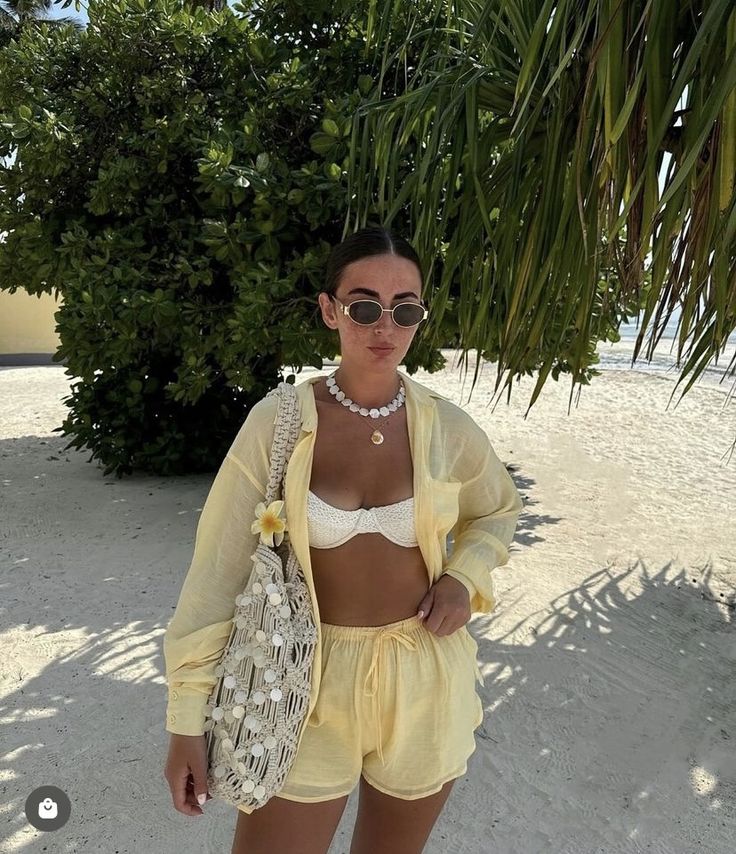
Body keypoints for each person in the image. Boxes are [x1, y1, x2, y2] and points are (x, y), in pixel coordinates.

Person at [163, 226, 524, 854]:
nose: (384, 325)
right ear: (330, 311)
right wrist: (184, 722)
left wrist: (465, 579)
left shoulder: (446, 427)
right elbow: (216, 574)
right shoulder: (277, 422)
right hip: (299, 681)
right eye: (363, 305)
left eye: (405, 308)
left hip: (424, 677)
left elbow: (496, 511)